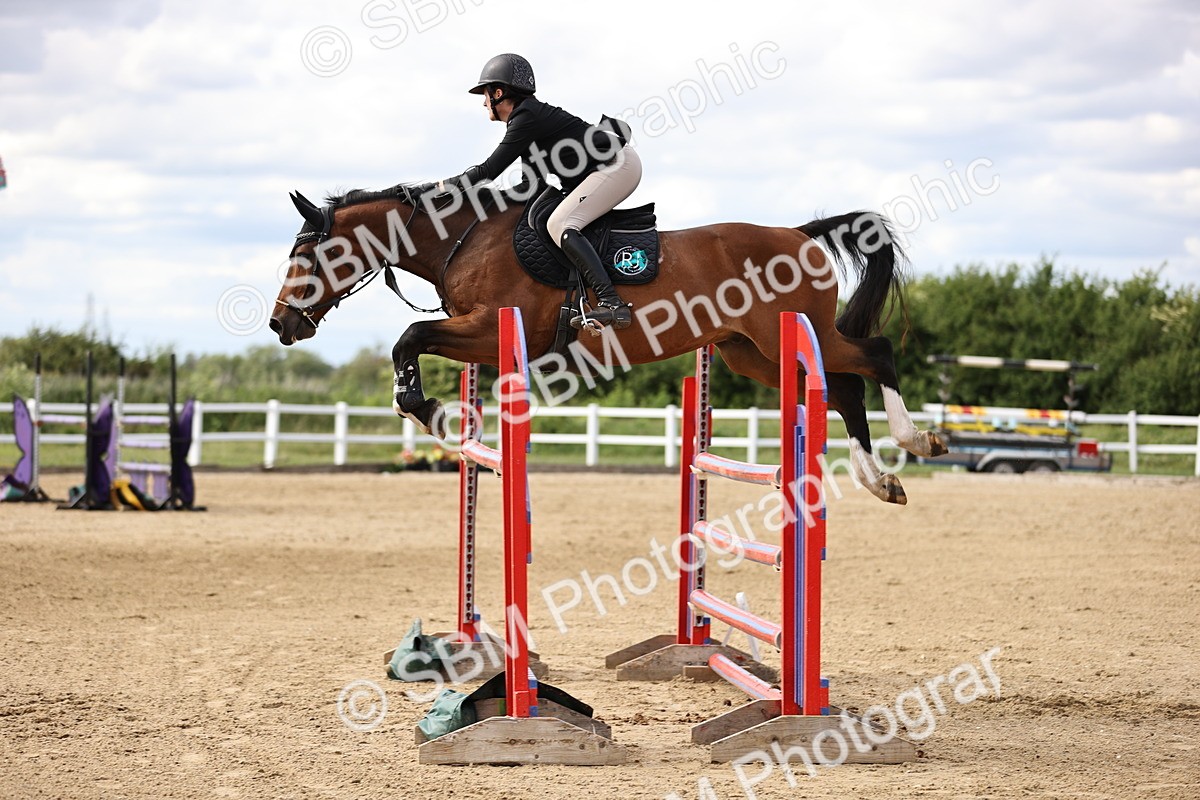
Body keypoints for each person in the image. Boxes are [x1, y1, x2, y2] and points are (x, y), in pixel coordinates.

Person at [410, 54, 641, 330]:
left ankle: (612, 303)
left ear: (498, 93)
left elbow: (488, 170)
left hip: (618, 166)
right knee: (550, 218)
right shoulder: (529, 118)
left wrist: (437, 189)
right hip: (606, 167)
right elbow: (528, 186)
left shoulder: (526, 117)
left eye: (485, 95)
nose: (484, 103)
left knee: (560, 223)